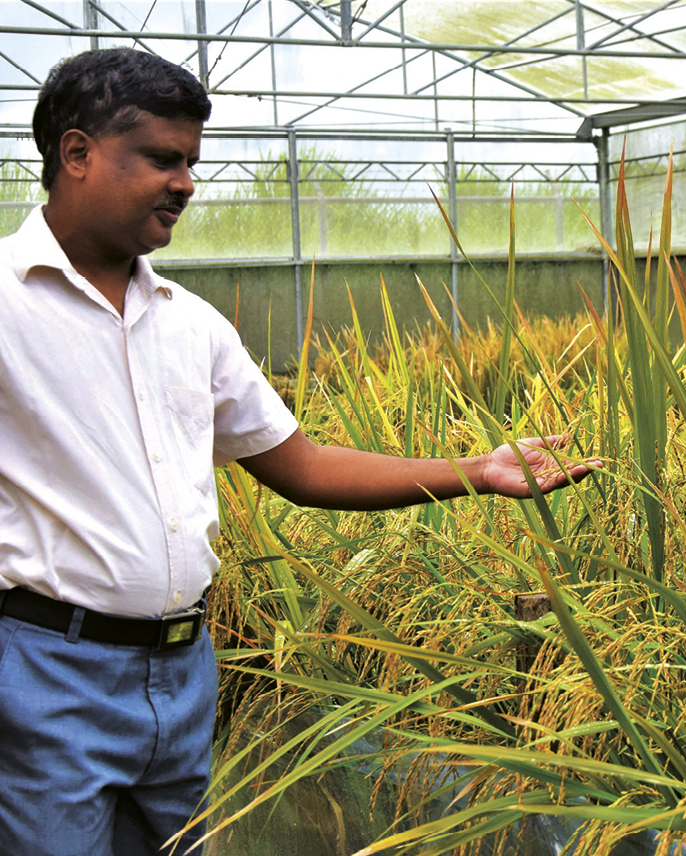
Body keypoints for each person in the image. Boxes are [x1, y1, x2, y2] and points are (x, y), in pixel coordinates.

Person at [0, 48, 597, 856]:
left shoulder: (190, 323)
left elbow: (302, 465)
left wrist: (476, 472)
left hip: (182, 676)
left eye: (191, 163)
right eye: (162, 159)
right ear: (76, 154)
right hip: (44, 671)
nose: (185, 183)